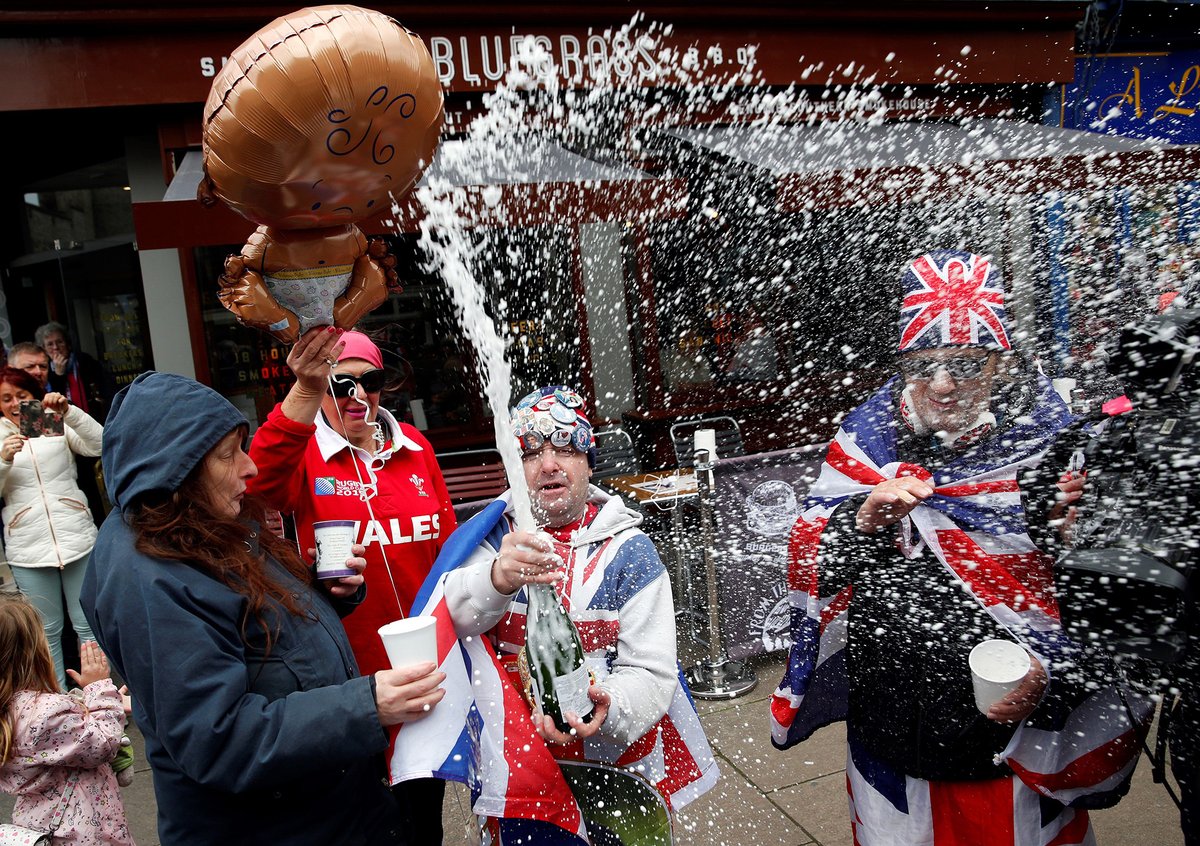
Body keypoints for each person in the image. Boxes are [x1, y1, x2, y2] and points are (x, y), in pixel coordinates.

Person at [769, 251, 1140, 846]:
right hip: (891, 741)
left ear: (998, 363)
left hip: (1010, 755)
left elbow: (1103, 599)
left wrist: (1054, 678)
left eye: (964, 363)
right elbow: (810, 562)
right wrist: (860, 520)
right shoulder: (866, 437)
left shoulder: (1054, 443)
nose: (942, 383)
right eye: (924, 363)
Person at [79, 371, 445, 845]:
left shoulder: (197, 526)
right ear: (176, 469)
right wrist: (366, 705)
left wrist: (319, 591)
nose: (250, 468)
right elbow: (219, 737)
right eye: (228, 455)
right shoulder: (148, 576)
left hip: (326, 811)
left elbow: (256, 636)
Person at [429, 385, 717, 842]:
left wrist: (612, 703)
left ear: (587, 460)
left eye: (564, 447)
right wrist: (497, 578)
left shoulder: (630, 552)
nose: (548, 464)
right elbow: (448, 618)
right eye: (530, 453)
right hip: (521, 771)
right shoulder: (491, 542)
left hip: (618, 766)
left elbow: (652, 671)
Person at [247, 328, 457, 844]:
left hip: (428, 658)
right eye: (340, 385)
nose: (357, 396)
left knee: (423, 803)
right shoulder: (307, 455)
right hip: (348, 666)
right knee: (371, 811)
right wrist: (302, 390)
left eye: (371, 381)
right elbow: (259, 481)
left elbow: (450, 546)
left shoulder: (415, 445)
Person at [0, 365, 103, 691]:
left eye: (22, 395)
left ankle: (103, 701)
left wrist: (68, 411)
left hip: (76, 537)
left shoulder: (50, 420)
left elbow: (99, 443)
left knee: (88, 625)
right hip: (29, 548)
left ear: (34, 395)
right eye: (6, 398)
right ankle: (58, 711)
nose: (15, 403)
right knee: (46, 632)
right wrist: (3, 460)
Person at [0, 596, 133, 845]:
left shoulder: (10, 710)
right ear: (33, 653)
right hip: (84, 831)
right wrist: (100, 690)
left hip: (37, 823)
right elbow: (102, 743)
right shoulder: (44, 713)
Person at [36, 322, 115, 420]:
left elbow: (106, 387)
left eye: (60, 342)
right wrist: (59, 374)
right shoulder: (43, 369)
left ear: (68, 344)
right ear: (44, 349)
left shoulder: (85, 361)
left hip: (93, 417)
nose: (56, 347)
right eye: (50, 344)